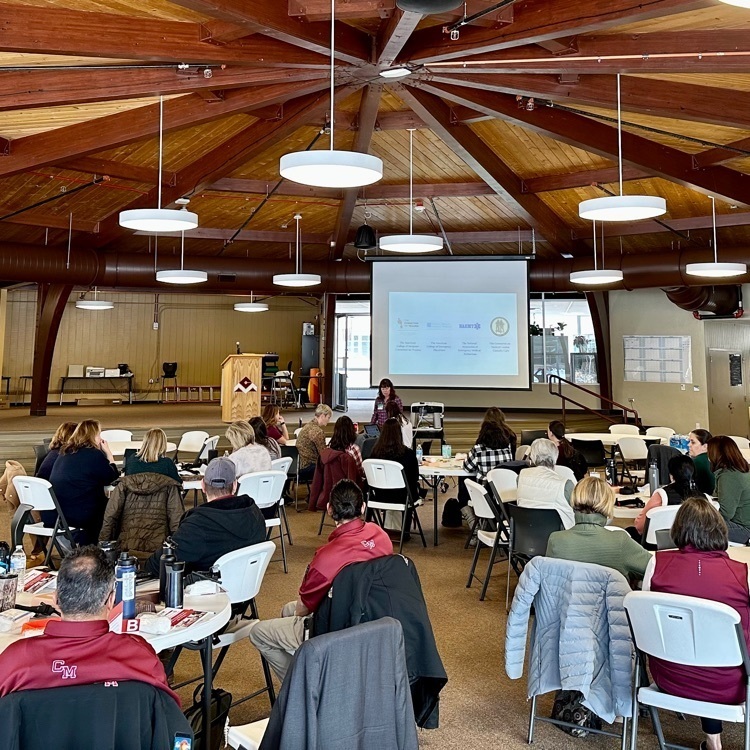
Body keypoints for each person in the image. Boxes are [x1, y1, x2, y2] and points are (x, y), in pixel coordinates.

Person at [248, 479, 392, 681]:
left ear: (330, 509)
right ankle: (312, 673)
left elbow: (303, 609)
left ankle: (298, 690)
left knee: (259, 632)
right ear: (363, 506)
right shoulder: (381, 536)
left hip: (336, 629)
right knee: (286, 610)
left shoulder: (326, 557)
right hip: (371, 616)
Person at [0, 546, 179, 704]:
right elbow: (166, 716)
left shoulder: (15, 660)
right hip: (118, 743)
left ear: (55, 600)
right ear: (110, 601)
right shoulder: (139, 656)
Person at [642, 496, 750, 750]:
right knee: (719, 645)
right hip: (730, 685)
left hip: (670, 676)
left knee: (695, 641)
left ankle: (714, 740)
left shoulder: (656, 564)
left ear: (678, 529)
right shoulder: (742, 573)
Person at [145, 457, 266, 576]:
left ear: (202, 485)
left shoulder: (197, 525)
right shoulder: (256, 515)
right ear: (234, 485)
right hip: (245, 591)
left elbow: (156, 566)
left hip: (204, 592)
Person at [546, 476, 652, 579]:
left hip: (567, 597)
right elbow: (655, 569)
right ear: (608, 503)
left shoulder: (555, 540)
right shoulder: (620, 541)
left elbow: (551, 581)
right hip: (611, 596)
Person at [48, 419, 119, 545]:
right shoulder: (94, 455)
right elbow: (111, 478)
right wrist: (109, 455)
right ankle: (102, 548)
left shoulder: (64, 452)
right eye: (99, 434)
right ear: (93, 436)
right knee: (115, 508)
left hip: (59, 512)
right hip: (81, 513)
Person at [631, 454, 710, 541]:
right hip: (696, 544)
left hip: (660, 545)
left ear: (671, 476)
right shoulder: (705, 498)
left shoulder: (662, 495)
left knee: (630, 531)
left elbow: (640, 526)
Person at [370, 417, 420, 539]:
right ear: (399, 434)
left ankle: (387, 527)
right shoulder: (408, 454)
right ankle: (404, 532)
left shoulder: (374, 453)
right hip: (402, 497)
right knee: (411, 489)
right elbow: (415, 478)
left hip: (379, 496)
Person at [517, 438, 575, 529]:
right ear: (555, 456)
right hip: (560, 538)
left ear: (532, 457)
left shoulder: (521, 476)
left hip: (527, 535)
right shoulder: (565, 484)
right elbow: (580, 510)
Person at [308, 417, 362, 511]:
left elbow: (318, 479)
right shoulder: (353, 450)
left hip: (328, 495)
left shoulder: (326, 452)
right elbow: (359, 472)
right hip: (349, 495)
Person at [707, 435, 750, 544]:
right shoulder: (743, 468)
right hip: (745, 524)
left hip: (744, 530)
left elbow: (726, 514)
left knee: (697, 522)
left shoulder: (729, 476)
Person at [296, 404, 332, 483]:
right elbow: (323, 455)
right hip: (311, 467)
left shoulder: (307, 427)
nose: (329, 421)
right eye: (328, 417)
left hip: (302, 465)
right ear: (322, 416)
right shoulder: (317, 432)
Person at [689, 428, 715, 495]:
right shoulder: (714, 458)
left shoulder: (697, 461)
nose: (689, 445)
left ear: (705, 446)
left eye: (693, 442)